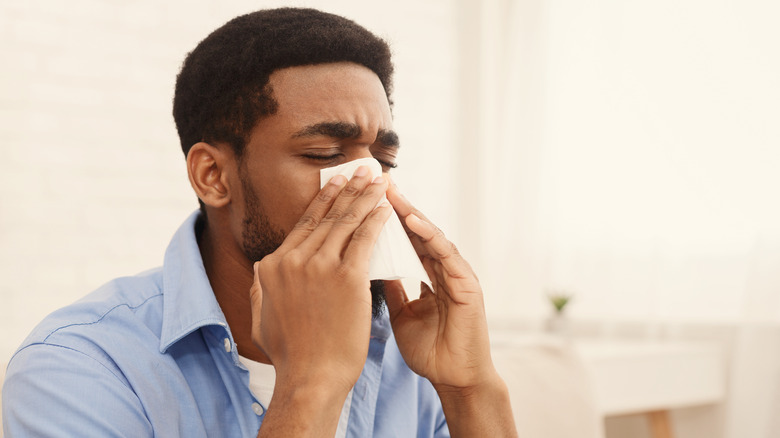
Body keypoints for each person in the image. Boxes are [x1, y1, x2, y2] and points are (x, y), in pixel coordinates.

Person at [2, 8, 517, 437]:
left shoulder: (410, 353)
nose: (371, 186)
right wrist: (310, 384)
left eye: (383, 161)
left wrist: (470, 389)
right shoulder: (79, 368)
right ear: (213, 176)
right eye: (324, 153)